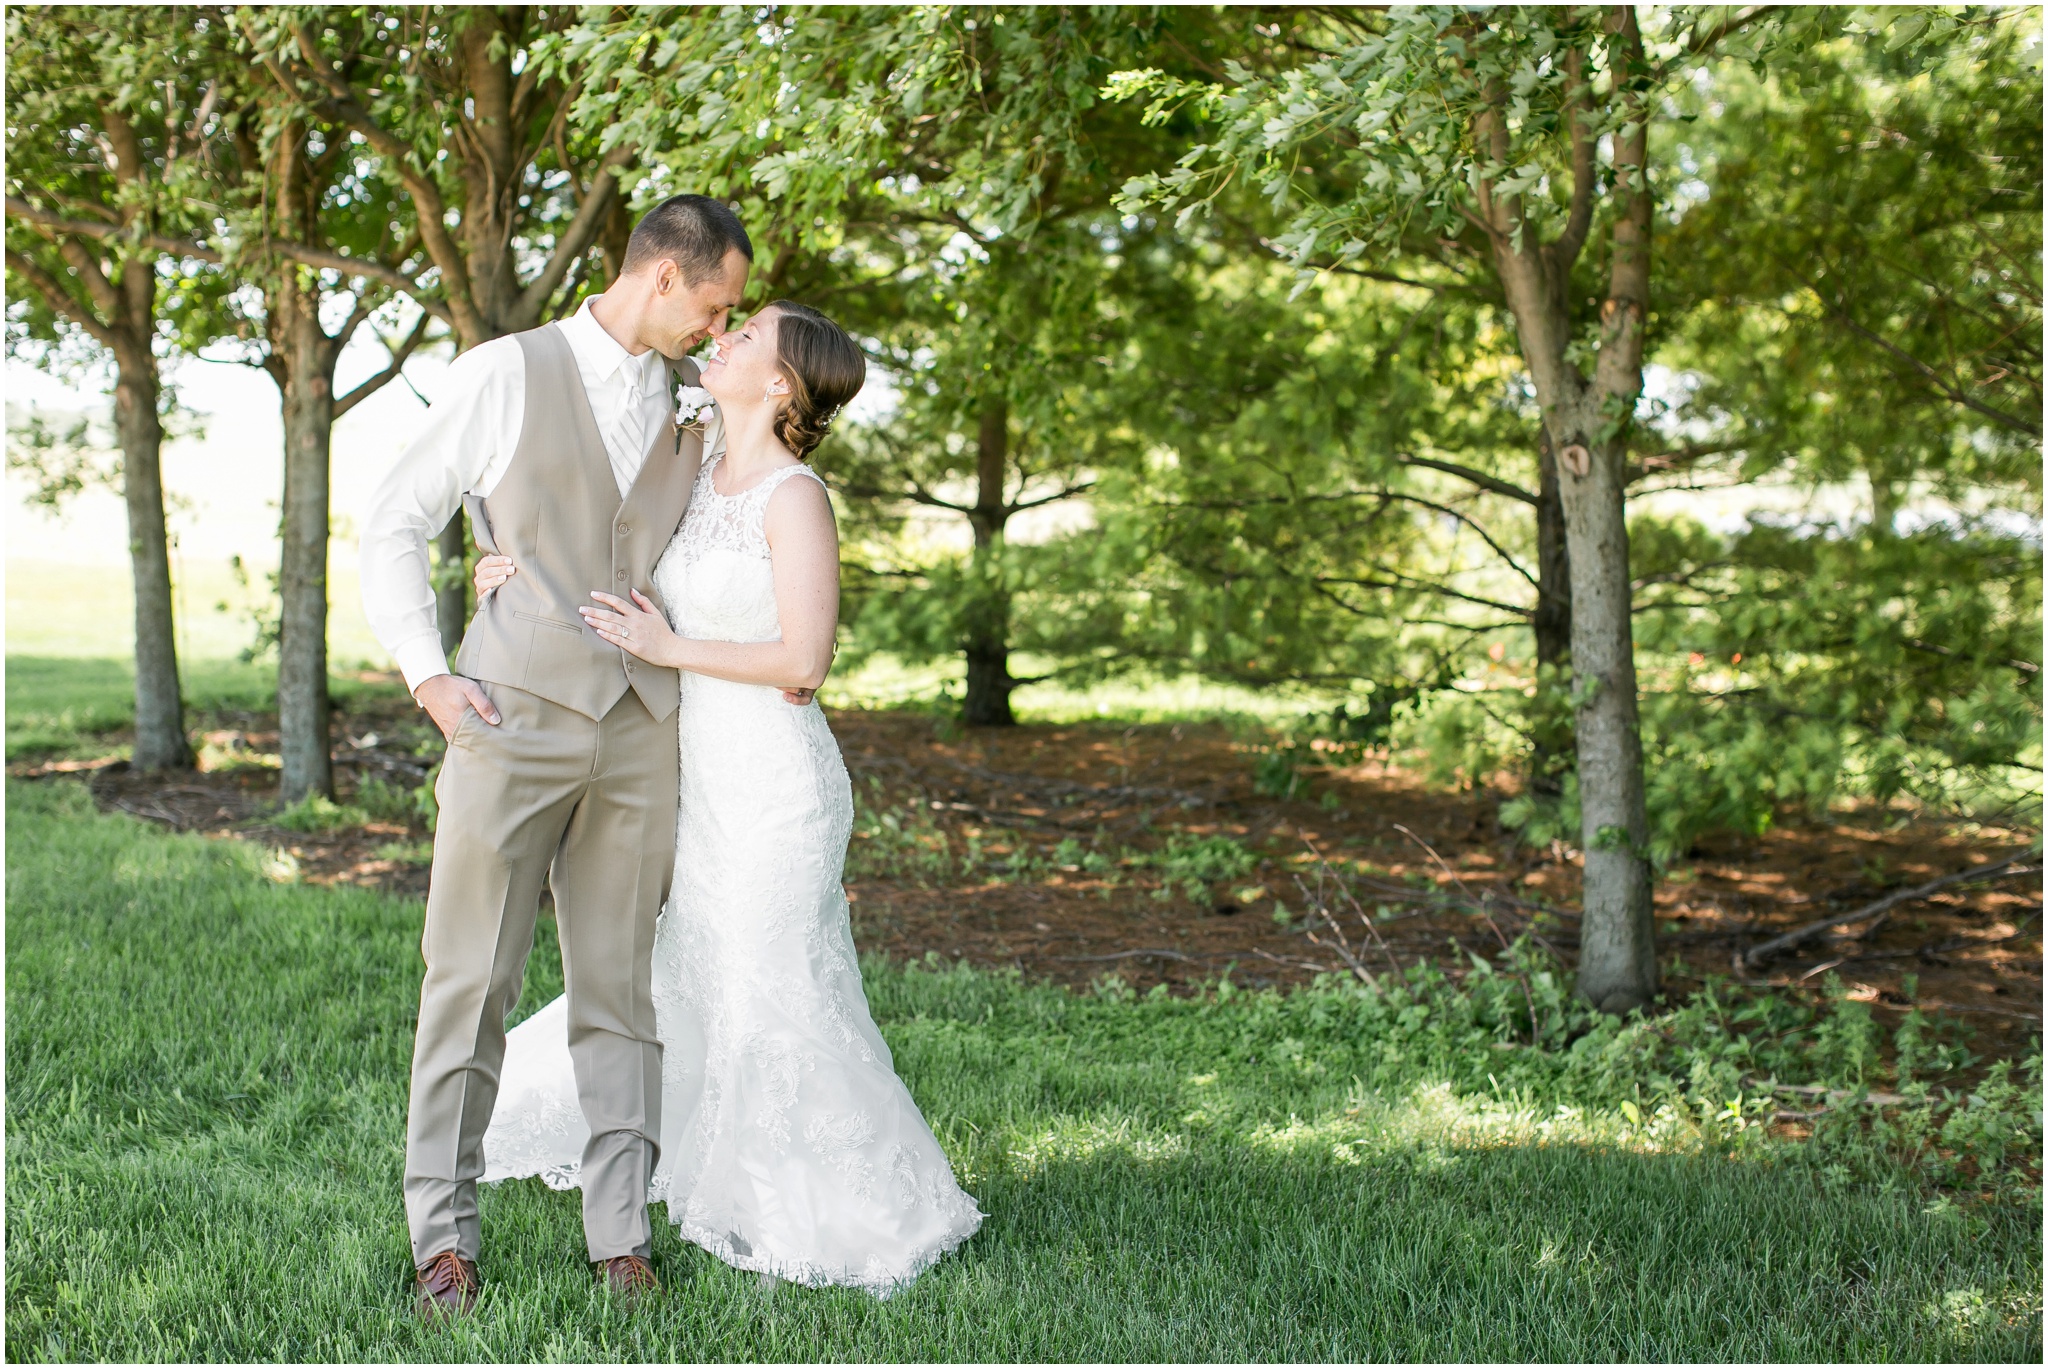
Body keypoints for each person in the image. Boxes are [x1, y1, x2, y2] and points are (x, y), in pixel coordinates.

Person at [475, 299, 983, 1298]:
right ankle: (686, 1153)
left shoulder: (794, 499)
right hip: (691, 777)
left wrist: (670, 648)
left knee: (770, 987)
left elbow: (804, 658)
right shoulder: (690, 459)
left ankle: (829, 1206)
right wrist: (514, 565)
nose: (723, 337)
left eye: (746, 337)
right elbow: (601, 542)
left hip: (773, 785)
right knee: (690, 972)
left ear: (783, 384)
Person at [359, 194, 802, 1316]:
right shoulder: (503, 373)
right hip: (507, 722)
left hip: (641, 734)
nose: (720, 327)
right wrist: (428, 670)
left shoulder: (694, 411)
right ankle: (443, 1240)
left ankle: (620, 1232)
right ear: (662, 276)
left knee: (621, 994)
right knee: (469, 982)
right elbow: (394, 519)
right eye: (715, 302)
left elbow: (739, 518)